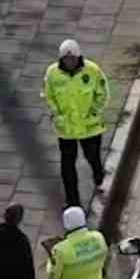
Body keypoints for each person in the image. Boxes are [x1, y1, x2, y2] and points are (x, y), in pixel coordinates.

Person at [43, 39, 110, 209]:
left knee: (92, 157)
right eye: (66, 59)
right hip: (66, 130)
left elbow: (103, 93)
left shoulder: (92, 71)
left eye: (72, 58)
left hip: (90, 128)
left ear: (78, 56)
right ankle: (73, 201)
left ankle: (98, 175)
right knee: (67, 166)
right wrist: (57, 115)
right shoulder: (52, 73)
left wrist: (94, 111)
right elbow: (49, 95)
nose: (69, 62)